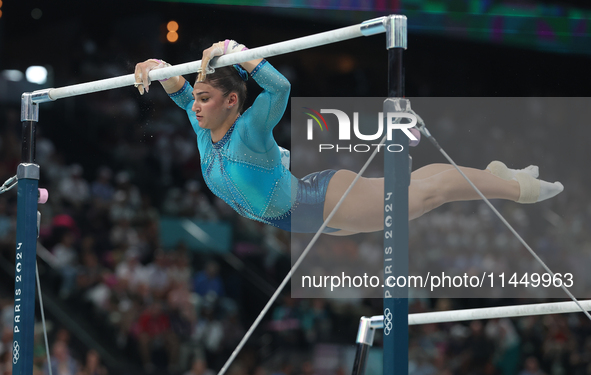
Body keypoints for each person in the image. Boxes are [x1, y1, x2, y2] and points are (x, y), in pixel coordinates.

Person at [134, 40, 564, 235]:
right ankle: (496, 175)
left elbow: (280, 88)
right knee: (424, 187)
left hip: (321, 203)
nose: (196, 106)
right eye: (197, 100)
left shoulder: (250, 128)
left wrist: (238, 51)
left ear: (231, 101)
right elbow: (180, 92)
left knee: (431, 195)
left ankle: (518, 188)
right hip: (311, 215)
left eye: (205, 98)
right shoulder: (204, 132)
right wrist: (157, 67)